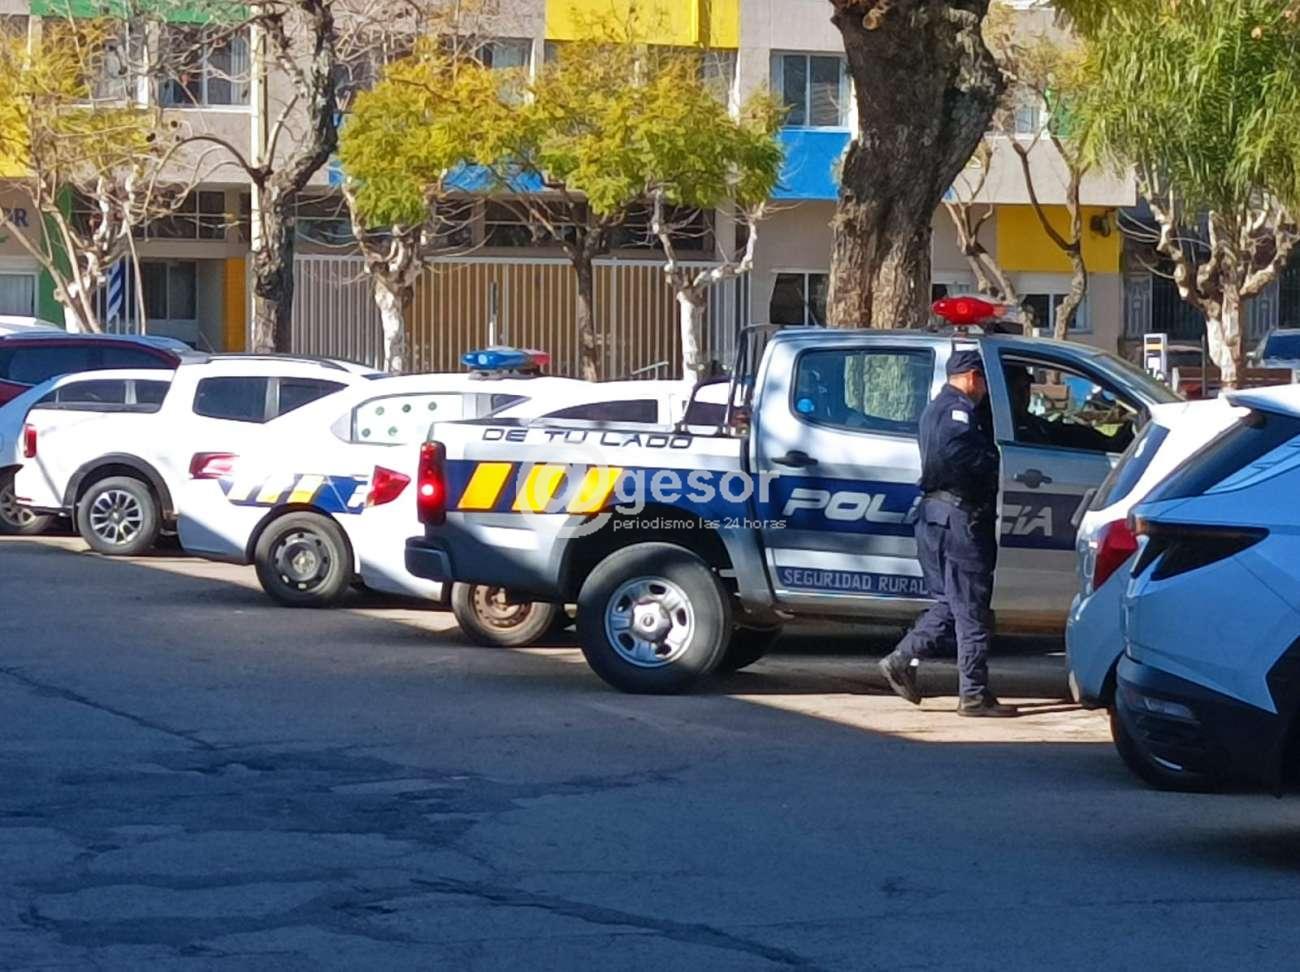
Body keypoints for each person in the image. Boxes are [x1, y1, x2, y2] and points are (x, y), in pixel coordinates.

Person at [878, 349, 1017, 717]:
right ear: (971, 377)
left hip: (935, 516)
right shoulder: (958, 411)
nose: (985, 390)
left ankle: (902, 657)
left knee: (950, 604)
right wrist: (994, 463)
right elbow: (956, 456)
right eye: (984, 382)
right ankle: (973, 695)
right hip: (957, 519)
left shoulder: (935, 408)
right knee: (970, 608)